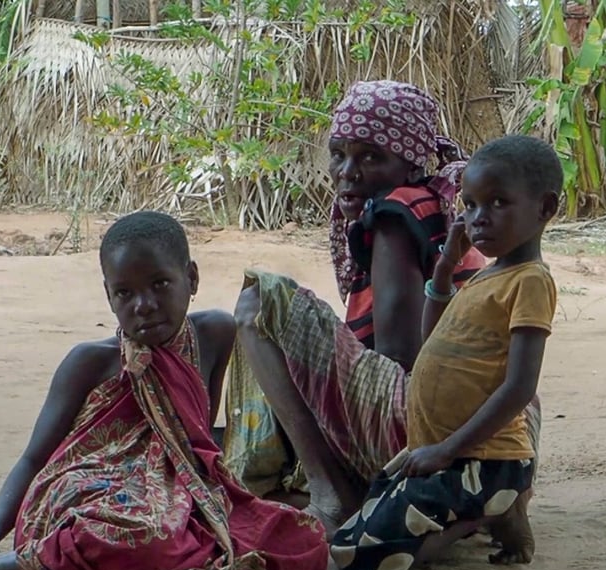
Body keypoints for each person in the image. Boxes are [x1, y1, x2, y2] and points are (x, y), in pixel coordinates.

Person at [0, 211, 329, 570]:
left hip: (175, 496)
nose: (143, 304)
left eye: (160, 283)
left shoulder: (214, 334)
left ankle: (121, 565)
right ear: (109, 297)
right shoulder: (90, 362)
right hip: (88, 496)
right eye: (124, 293)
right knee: (144, 539)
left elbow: (192, 442)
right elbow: (35, 458)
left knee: (302, 538)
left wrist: (203, 500)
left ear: (192, 278)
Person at [224, 80, 539, 533]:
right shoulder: (442, 208)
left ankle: (329, 495)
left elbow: (402, 356)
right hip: (508, 434)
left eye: (371, 157)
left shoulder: (395, 216)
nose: (347, 171)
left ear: (409, 166)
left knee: (260, 302)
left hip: (428, 421)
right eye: (339, 153)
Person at [329, 134, 561, 570]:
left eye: (497, 203)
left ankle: (490, 512)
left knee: (361, 558)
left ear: (545, 209)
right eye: (470, 205)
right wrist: (442, 271)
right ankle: (487, 510)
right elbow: (430, 337)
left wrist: (446, 450)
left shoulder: (530, 280)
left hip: (483, 459)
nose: (479, 219)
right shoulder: (488, 276)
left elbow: (519, 388)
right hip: (448, 456)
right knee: (349, 534)